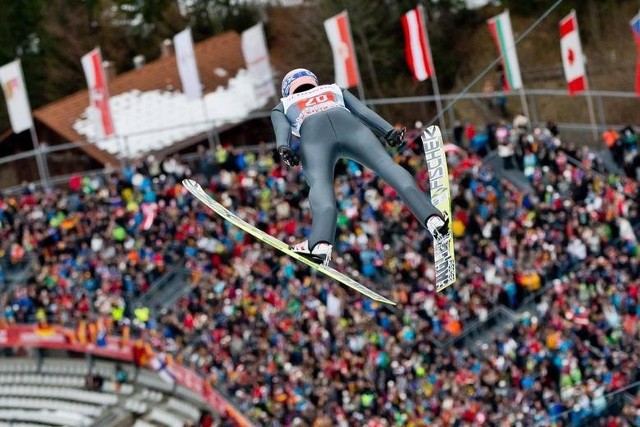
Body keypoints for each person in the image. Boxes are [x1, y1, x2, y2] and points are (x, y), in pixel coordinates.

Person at [270, 68, 448, 265]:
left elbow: (282, 127)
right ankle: (433, 219)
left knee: (320, 184)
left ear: (287, 90)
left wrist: (284, 147)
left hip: (314, 135)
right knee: (386, 166)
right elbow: (363, 111)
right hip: (352, 129)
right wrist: (388, 131)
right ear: (314, 81)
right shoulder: (334, 89)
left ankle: (320, 244)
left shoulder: (284, 104)